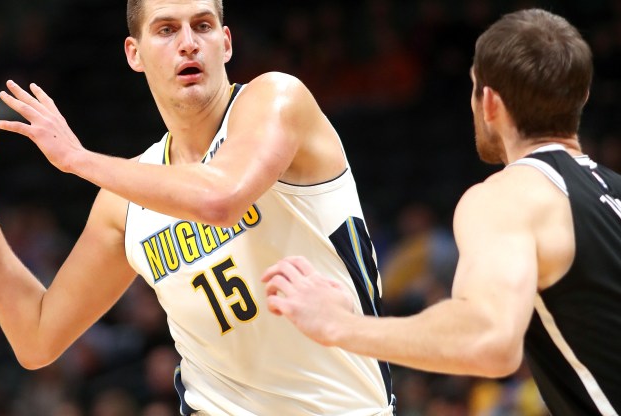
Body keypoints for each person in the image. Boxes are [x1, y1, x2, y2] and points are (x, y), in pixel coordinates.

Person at [0, 0, 396, 414]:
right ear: (134, 53)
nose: (189, 44)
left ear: (226, 42)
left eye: (202, 25)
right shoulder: (126, 199)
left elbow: (220, 198)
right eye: (166, 30)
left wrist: (78, 160)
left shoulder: (277, 99)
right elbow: (36, 337)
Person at [261, 8, 621, 416]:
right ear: (582, 97)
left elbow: (490, 339)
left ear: (489, 102)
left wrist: (340, 325)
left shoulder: (510, 195)